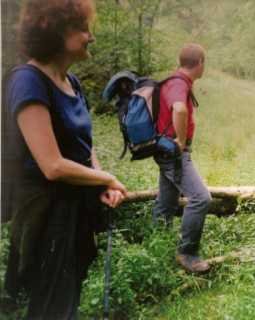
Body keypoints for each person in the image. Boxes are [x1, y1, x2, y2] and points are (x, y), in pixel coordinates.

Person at [3, 1, 127, 319]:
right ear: (57, 30)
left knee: (67, 297)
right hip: (46, 217)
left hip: (76, 211)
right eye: (84, 29)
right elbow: (52, 165)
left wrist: (101, 181)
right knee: (50, 305)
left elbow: (85, 148)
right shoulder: (27, 81)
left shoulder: (72, 83)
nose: (91, 37)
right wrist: (108, 178)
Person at [152, 43, 212, 274]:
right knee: (200, 198)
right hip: (174, 152)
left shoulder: (176, 81)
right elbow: (179, 109)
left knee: (166, 202)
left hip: (166, 150)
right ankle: (187, 253)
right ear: (199, 63)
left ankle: (155, 246)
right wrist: (180, 140)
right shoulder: (178, 83)